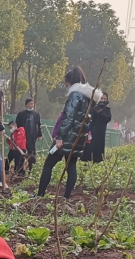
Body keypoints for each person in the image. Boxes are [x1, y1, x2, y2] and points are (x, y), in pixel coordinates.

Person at [37, 66, 102, 199]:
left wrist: (60, 137)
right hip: (79, 138)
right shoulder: (89, 98)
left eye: (66, 83)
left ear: (71, 82)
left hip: (66, 138)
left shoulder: (75, 95)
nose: (66, 86)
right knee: (71, 166)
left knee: (48, 163)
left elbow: (68, 117)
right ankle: (67, 197)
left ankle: (40, 194)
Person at [81, 94, 111, 164]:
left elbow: (107, 118)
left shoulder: (107, 110)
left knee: (98, 154)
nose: (103, 100)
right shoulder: (91, 108)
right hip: (90, 134)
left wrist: (101, 111)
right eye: (101, 98)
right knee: (87, 151)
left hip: (100, 135)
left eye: (105, 99)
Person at [15, 97, 43, 172]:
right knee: (21, 153)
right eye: (30, 104)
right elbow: (17, 126)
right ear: (26, 105)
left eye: (32, 104)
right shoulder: (21, 114)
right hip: (22, 138)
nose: (31, 105)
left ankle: (32, 170)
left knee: (32, 154)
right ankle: (20, 171)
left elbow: (38, 125)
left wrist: (39, 135)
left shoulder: (36, 114)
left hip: (32, 138)